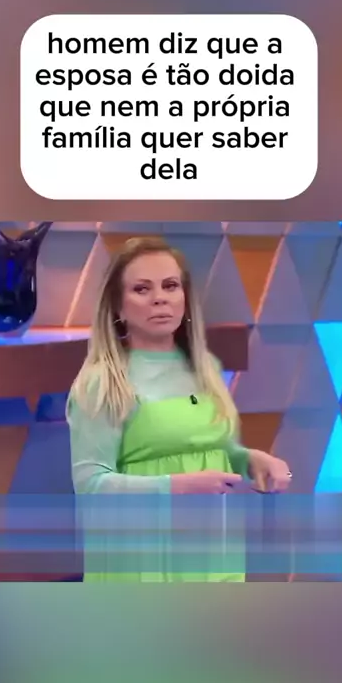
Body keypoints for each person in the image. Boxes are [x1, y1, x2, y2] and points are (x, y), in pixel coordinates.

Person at [66, 236, 291, 582]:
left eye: (170, 286)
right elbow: (90, 485)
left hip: (214, 553)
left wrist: (249, 459)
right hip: (142, 562)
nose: (160, 298)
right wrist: (174, 487)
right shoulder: (103, 381)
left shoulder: (205, 368)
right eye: (142, 289)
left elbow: (210, 449)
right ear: (117, 307)